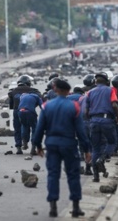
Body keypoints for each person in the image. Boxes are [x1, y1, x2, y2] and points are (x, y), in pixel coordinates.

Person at [32, 79, 91, 218]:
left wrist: (38, 145)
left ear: (56, 90)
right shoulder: (74, 107)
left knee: (53, 174)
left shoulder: (47, 106)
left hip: (51, 143)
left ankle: (53, 206)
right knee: (73, 174)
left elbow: (39, 128)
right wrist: (87, 149)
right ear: (67, 91)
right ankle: (76, 207)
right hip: (69, 144)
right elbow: (81, 131)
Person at [85, 72, 118, 182]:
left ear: (95, 82)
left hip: (94, 121)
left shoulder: (89, 92)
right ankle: (102, 158)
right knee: (112, 142)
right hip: (107, 120)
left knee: (95, 148)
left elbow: (86, 110)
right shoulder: (111, 90)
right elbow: (115, 104)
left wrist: (90, 119)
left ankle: (96, 176)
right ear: (107, 82)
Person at [8, 75, 42, 154]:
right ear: (28, 83)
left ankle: (19, 147)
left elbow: (11, 105)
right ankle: (33, 146)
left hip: (16, 111)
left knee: (17, 129)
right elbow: (39, 99)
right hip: (29, 110)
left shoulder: (13, 91)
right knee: (33, 127)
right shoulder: (34, 91)